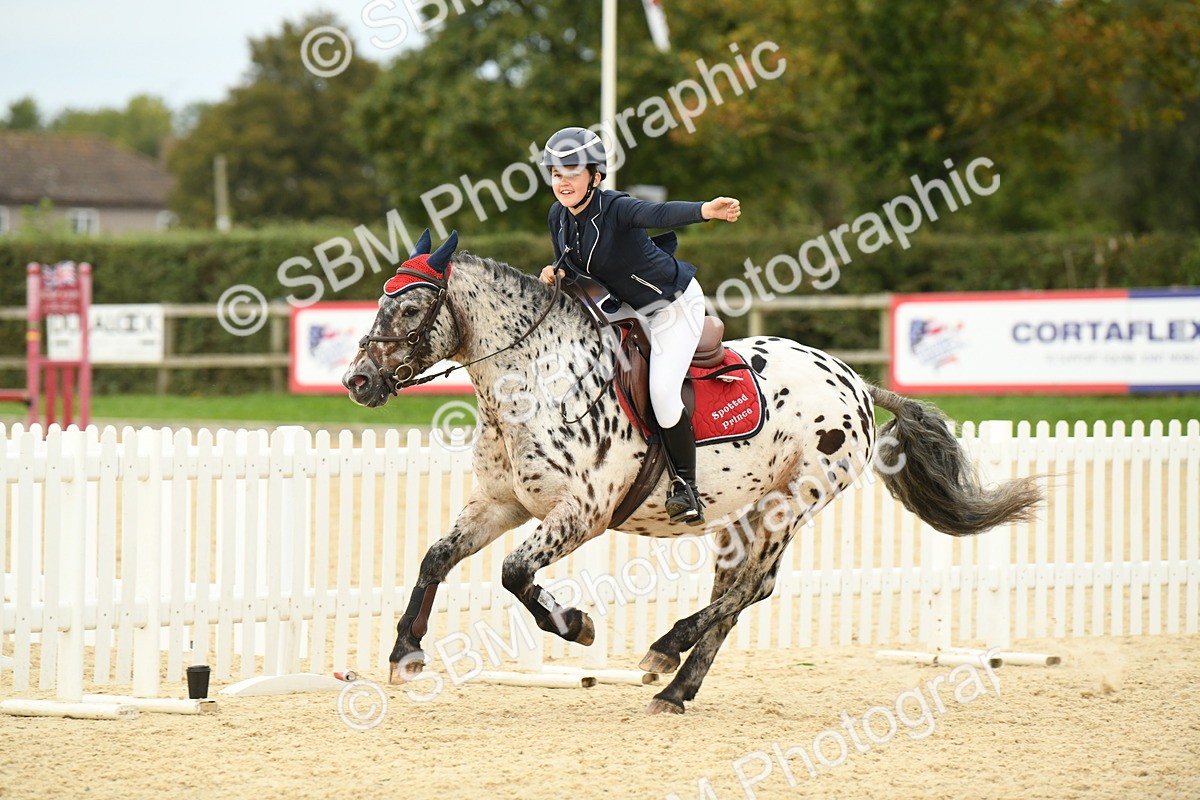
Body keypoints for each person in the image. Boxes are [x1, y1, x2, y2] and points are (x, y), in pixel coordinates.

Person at [538, 126, 741, 526]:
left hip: (671, 306)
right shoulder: (557, 216)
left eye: (572, 172)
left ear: (595, 176)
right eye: (556, 173)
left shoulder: (616, 208)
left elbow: (659, 214)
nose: (563, 182)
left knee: (663, 392)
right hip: (623, 310)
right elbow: (573, 263)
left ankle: (686, 486)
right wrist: (554, 272)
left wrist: (705, 210)